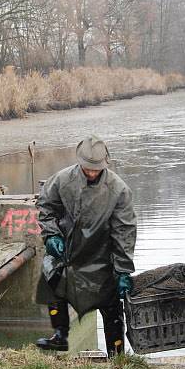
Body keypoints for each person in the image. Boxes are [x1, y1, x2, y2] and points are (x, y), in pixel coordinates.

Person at [34, 136, 137, 357]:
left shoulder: (118, 189)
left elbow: (125, 232)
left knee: (111, 307)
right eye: (87, 168)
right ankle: (60, 335)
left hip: (102, 253)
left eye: (96, 169)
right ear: (79, 162)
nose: (91, 172)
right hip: (69, 249)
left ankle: (116, 353)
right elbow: (45, 206)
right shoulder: (62, 180)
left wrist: (123, 269)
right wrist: (51, 234)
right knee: (52, 282)